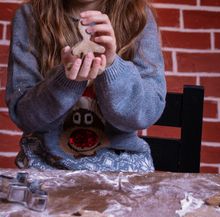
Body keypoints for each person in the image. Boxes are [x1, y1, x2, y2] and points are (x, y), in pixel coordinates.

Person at [6, 0, 166, 172]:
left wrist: (112, 65)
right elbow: (24, 116)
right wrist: (65, 82)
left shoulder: (138, 17)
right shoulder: (30, 16)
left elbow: (147, 112)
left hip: (122, 165)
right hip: (47, 163)